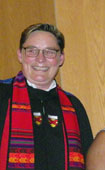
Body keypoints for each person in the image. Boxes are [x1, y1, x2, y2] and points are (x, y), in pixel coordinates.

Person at [0, 23, 93, 170]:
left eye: (49, 52)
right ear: (20, 54)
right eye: (32, 51)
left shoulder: (74, 106)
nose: (40, 59)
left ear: (61, 58)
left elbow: (89, 161)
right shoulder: (2, 94)